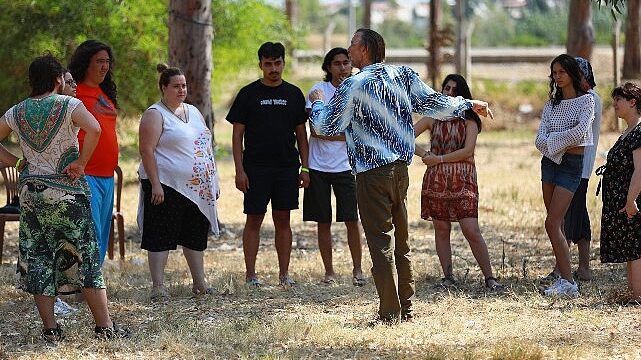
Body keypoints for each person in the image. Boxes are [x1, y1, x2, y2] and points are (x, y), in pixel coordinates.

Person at [309, 28, 493, 324]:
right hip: (400, 172)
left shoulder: (353, 84)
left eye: (352, 44)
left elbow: (325, 126)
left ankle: (389, 312)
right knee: (402, 242)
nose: (348, 49)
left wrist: (317, 101)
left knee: (381, 244)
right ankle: (406, 307)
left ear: (365, 49)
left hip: (371, 174)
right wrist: (468, 104)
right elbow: (434, 103)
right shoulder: (403, 75)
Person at [0, 54, 128, 342]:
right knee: (85, 258)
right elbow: (94, 128)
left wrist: (18, 162)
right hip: (66, 192)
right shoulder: (69, 104)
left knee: (38, 257)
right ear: (58, 79)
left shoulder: (17, 111)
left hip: (31, 194)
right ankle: (105, 327)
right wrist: (81, 162)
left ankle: (50, 329)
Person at [226, 42, 309, 287]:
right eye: (268, 64)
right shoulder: (248, 94)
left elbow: (302, 137)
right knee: (254, 219)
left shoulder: (294, 94)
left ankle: (284, 275)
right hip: (255, 169)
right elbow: (236, 136)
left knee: (283, 220)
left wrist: (305, 168)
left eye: (277, 63)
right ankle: (251, 275)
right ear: (260, 65)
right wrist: (239, 171)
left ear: (283, 63)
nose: (273, 68)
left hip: (286, 168)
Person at [138, 64, 220, 300]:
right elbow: (146, 150)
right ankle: (158, 286)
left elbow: (205, 146)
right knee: (160, 235)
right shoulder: (155, 114)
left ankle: (200, 283)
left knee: (195, 235)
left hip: (196, 187)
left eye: (183, 86)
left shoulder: (193, 111)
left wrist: (213, 181)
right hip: (166, 185)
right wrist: (155, 184)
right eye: (176, 86)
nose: (181, 90)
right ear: (164, 88)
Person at [414, 74, 502, 291]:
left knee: (471, 229)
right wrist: (425, 154)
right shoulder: (432, 117)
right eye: (446, 88)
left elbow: (467, 150)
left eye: (455, 90)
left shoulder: (469, 119)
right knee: (441, 230)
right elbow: (404, 136)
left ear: (462, 95)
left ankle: (490, 278)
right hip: (436, 180)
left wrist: (439, 159)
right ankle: (448, 277)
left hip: (463, 179)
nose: (449, 93)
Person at [304, 47, 365, 286]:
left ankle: (358, 269)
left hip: (347, 167)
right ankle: (329, 271)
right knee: (323, 221)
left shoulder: (358, 92)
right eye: (337, 63)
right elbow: (316, 130)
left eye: (346, 63)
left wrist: (335, 131)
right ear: (328, 67)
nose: (342, 67)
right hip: (319, 166)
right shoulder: (318, 92)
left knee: (352, 220)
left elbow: (359, 131)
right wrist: (343, 132)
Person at [535, 54, 594, 297]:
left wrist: (553, 141)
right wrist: (557, 143)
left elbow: (581, 133)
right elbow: (539, 140)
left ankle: (569, 282)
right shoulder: (551, 105)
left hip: (571, 165)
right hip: (549, 164)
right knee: (554, 224)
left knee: (552, 222)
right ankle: (563, 277)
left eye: (561, 72)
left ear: (571, 73)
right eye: (554, 73)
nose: (557, 77)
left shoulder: (586, 102)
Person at [68, 40, 119, 265]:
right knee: (91, 233)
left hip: (108, 176)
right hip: (85, 173)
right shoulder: (73, 92)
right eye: (99, 61)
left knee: (102, 234)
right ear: (86, 63)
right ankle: (85, 286)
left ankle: (91, 285)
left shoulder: (104, 92)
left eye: (107, 61)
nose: (104, 66)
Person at [555, 57, 601, 282]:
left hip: (578, 168)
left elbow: (574, 133)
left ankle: (573, 268)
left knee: (570, 217)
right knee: (568, 216)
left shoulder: (589, 100)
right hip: (567, 166)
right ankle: (576, 267)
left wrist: (553, 139)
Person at [599, 82, 641, 304]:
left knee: (636, 247)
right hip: (622, 200)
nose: (614, 104)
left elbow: (640, 170)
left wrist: (631, 199)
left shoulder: (639, 131)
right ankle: (633, 295)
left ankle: (637, 296)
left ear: (632, 102)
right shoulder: (628, 132)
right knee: (631, 247)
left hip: (632, 200)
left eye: (619, 100)